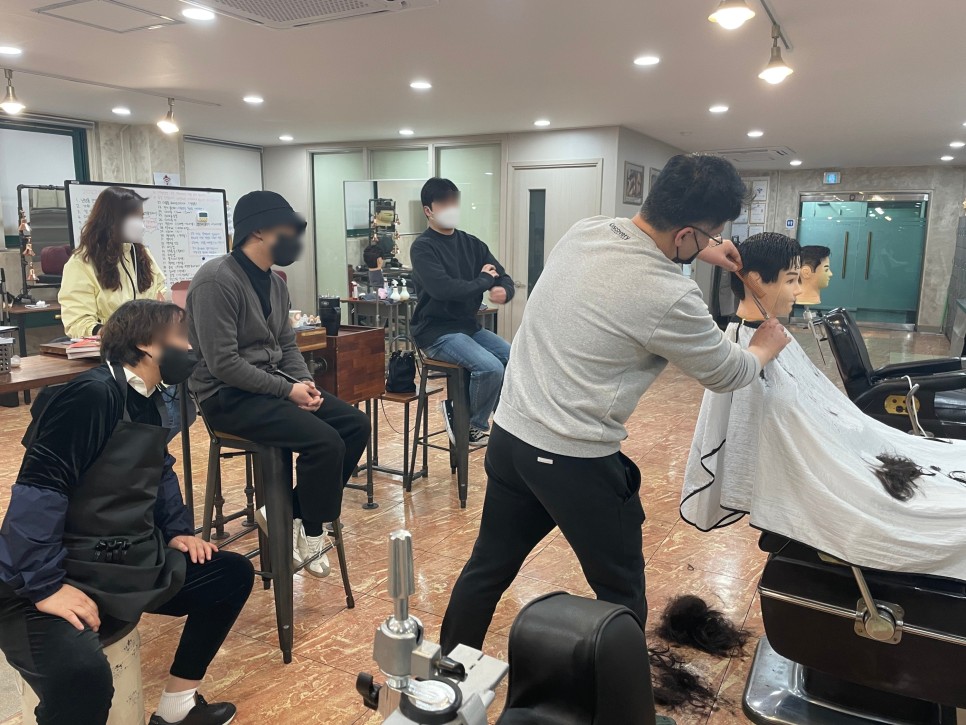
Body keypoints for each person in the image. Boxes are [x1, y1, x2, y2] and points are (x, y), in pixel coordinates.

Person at [439, 154, 790, 725]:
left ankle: (444, 688)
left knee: (487, 569)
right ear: (686, 233)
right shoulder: (668, 295)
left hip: (511, 437)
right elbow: (727, 372)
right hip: (573, 460)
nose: (712, 245)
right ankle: (625, 717)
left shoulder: (587, 231)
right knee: (621, 594)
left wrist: (701, 248)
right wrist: (764, 346)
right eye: (709, 237)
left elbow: (646, 256)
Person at [0, 299, 254, 725]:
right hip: (50, 575)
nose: (189, 347)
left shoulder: (151, 398)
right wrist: (46, 587)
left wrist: (177, 531)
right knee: (82, 678)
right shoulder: (90, 395)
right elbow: (39, 491)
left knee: (229, 576)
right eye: (181, 337)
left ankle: (177, 707)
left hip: (122, 564)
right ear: (145, 344)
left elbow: (159, 468)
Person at [681, 233, 966, 581]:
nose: (799, 290)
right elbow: (753, 443)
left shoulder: (770, 337)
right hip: (833, 479)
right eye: (791, 280)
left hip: (849, 461)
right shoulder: (746, 352)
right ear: (754, 280)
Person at [187, 190, 370, 577]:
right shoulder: (216, 280)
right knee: (325, 442)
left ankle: (288, 512)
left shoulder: (275, 283)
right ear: (258, 230)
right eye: (288, 229)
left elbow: (286, 345)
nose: (295, 239)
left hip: (271, 385)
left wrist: (304, 382)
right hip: (225, 396)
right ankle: (312, 529)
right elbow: (223, 364)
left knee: (355, 424)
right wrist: (288, 390)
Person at [410, 177, 514, 445]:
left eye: (454, 201)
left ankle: (502, 421)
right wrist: (483, 281)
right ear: (428, 210)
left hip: (468, 328)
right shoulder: (423, 247)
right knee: (490, 367)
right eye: (444, 203)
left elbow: (502, 276)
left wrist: (503, 289)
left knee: (513, 358)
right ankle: (467, 424)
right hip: (435, 332)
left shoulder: (472, 244)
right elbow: (444, 289)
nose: (451, 207)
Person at [60, 186, 168, 338]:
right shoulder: (82, 263)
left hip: (148, 342)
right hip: (109, 346)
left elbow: (160, 293)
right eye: (134, 217)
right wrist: (113, 333)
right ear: (112, 220)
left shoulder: (141, 255)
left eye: (141, 217)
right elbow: (77, 322)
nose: (140, 224)